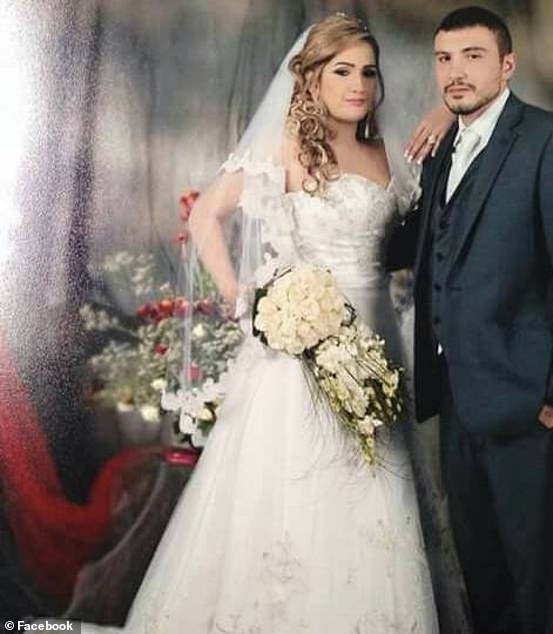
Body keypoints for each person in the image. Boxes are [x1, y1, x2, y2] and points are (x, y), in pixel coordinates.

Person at [64, 14, 457, 633]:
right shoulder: (287, 147)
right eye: (342, 71)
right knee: (293, 497)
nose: (358, 85)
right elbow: (205, 219)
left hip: (378, 339)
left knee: (380, 487)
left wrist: (445, 118)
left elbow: (420, 238)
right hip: (299, 354)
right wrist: (251, 300)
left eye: (368, 72)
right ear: (312, 78)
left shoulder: (387, 152)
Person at [389, 6, 553, 634]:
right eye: (444, 59)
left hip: (525, 400)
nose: (455, 72)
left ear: (507, 64)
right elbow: (415, 247)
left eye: (473, 56)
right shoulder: (441, 150)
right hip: (456, 398)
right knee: (481, 577)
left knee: (537, 580)